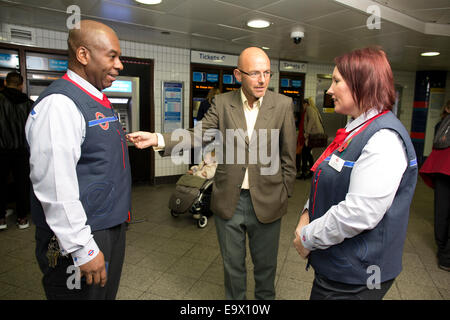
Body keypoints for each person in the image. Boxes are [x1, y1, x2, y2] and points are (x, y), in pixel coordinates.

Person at [127, 47, 297, 300]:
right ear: (238, 75)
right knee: (233, 267)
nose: (262, 80)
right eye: (254, 74)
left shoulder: (282, 104)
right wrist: (158, 138)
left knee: (266, 268)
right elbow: (198, 135)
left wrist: (285, 192)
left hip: (269, 200)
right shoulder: (222, 103)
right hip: (230, 199)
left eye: (267, 73)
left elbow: (288, 155)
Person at [293, 47, 418, 300]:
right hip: (337, 266)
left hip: (356, 276)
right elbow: (328, 177)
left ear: (362, 85)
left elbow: (359, 213)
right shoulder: (356, 128)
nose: (329, 90)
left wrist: (307, 237)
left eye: (337, 81)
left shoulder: (383, 139)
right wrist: (307, 213)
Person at [25, 20, 131, 300]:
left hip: (107, 227)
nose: (119, 65)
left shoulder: (96, 98)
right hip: (81, 236)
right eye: (112, 56)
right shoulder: (60, 105)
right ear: (83, 55)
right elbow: (54, 186)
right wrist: (83, 248)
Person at [419, 100, 450, 272]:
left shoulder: (441, 124)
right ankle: (447, 255)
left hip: (442, 169)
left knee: (441, 210)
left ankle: (442, 251)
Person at [0, 72, 33, 230]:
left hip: (2, 149)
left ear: (5, 83)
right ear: (21, 85)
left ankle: (1, 220)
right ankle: (22, 218)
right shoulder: (28, 103)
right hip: (22, 151)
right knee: (23, 184)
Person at [299, 97, 324, 179]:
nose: (303, 106)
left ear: (305, 104)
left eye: (303, 104)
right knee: (307, 153)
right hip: (314, 135)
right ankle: (311, 171)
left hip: (312, 135)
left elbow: (311, 121)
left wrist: (306, 133)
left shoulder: (309, 109)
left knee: (304, 153)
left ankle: (304, 173)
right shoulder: (314, 109)